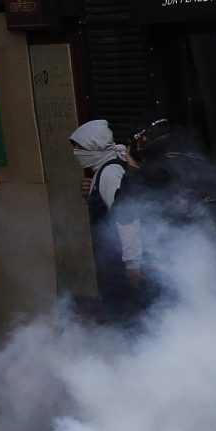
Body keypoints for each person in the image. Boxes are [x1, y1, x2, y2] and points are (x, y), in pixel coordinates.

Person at [70, 119, 146, 321]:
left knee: (126, 315)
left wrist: (132, 262)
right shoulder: (104, 170)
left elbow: (127, 219)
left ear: (93, 146)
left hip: (119, 260)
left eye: (80, 147)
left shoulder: (110, 173)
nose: (76, 153)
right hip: (113, 259)